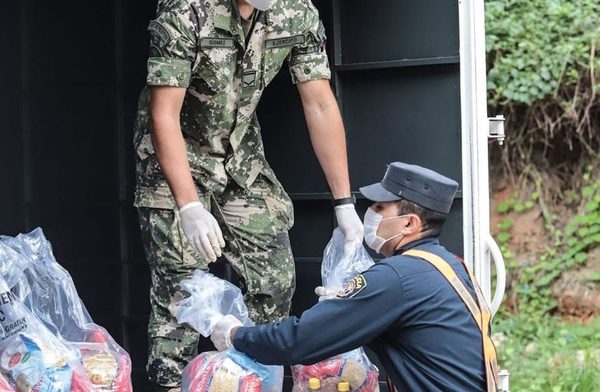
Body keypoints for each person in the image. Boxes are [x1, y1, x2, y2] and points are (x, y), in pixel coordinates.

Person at [132, 0, 363, 389]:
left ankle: (255, 380)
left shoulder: (297, 11)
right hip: (175, 161)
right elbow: (163, 114)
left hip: (241, 162)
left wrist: (344, 202)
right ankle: (173, 383)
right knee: (181, 287)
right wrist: (188, 205)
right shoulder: (187, 11)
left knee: (274, 279)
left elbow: (320, 103)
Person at [211, 162, 500, 392]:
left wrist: (236, 334)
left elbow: (300, 341)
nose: (370, 213)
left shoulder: (397, 276)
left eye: (380, 207)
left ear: (410, 223)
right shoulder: (453, 267)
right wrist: (348, 305)